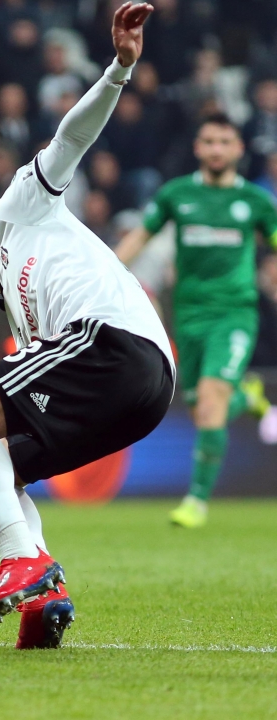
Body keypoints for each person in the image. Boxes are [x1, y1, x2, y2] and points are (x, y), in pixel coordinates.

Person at [0, 3, 174, 651]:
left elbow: (70, 139)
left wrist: (118, 68)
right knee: (4, 461)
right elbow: (3, 470)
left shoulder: (15, 211)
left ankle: (25, 563)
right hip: (142, 393)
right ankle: (45, 597)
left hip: (113, 344)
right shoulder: (26, 321)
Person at [116, 115, 277, 529]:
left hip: (235, 314)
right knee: (201, 407)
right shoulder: (177, 194)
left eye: (225, 141)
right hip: (186, 316)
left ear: (239, 149)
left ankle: (197, 501)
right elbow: (140, 237)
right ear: (198, 148)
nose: (217, 149)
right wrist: (107, 273)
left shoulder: (256, 203)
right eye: (209, 141)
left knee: (209, 404)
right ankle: (248, 395)